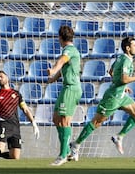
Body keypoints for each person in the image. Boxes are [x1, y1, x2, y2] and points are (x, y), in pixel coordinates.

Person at [68, 37, 135, 161]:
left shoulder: (121, 58)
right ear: (128, 48)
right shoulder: (126, 60)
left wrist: (123, 86)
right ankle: (76, 145)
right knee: (96, 122)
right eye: (134, 45)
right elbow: (123, 79)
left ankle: (119, 137)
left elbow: (111, 71)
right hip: (112, 97)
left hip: (121, 95)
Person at [47, 25, 82, 166]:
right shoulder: (70, 51)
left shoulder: (69, 50)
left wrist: (53, 69)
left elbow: (61, 61)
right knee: (56, 118)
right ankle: (68, 150)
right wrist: (53, 78)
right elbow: (64, 69)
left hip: (71, 88)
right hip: (66, 88)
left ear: (60, 38)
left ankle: (63, 155)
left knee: (64, 121)